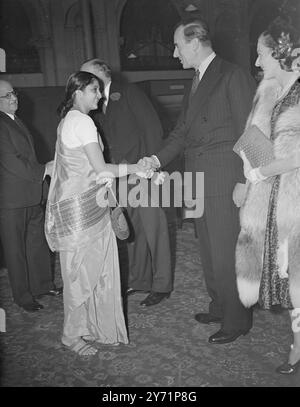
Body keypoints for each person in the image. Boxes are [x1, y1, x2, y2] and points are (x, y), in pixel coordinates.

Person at [142, 18, 256, 344]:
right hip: (196, 180)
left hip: (223, 179)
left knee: (225, 254)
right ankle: (219, 306)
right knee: (207, 251)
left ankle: (237, 321)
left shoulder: (232, 75)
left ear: (194, 42)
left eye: (177, 46)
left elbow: (251, 132)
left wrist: (245, 181)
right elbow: (181, 133)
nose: (175, 54)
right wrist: (156, 159)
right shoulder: (196, 79)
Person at [45, 71, 150, 356]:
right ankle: (72, 336)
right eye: (94, 90)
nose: (100, 96)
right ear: (78, 91)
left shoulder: (68, 120)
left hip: (81, 206)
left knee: (88, 272)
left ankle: (92, 328)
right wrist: (137, 168)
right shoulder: (83, 122)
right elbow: (102, 169)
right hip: (83, 210)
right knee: (81, 276)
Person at [235, 16, 300, 374]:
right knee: (290, 275)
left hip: (296, 199)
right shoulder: (270, 91)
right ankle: (297, 345)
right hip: (275, 201)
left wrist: (259, 172)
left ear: (281, 52)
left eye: (261, 54)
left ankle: (296, 351)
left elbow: (294, 156)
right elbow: (258, 140)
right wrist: (250, 174)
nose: (257, 62)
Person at [80, 59, 172, 307]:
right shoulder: (97, 103)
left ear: (101, 74)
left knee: (155, 230)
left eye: (87, 75)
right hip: (119, 176)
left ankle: (162, 284)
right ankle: (140, 280)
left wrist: (155, 168)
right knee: (133, 230)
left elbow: (152, 129)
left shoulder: (130, 92)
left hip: (142, 173)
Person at [0, 80, 61, 313]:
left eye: (13, 93)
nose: (13, 98)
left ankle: (43, 285)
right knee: (15, 250)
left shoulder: (14, 120)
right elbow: (11, 161)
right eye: (5, 96)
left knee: (36, 242)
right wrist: (43, 170)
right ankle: (23, 297)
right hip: (11, 200)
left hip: (31, 194)